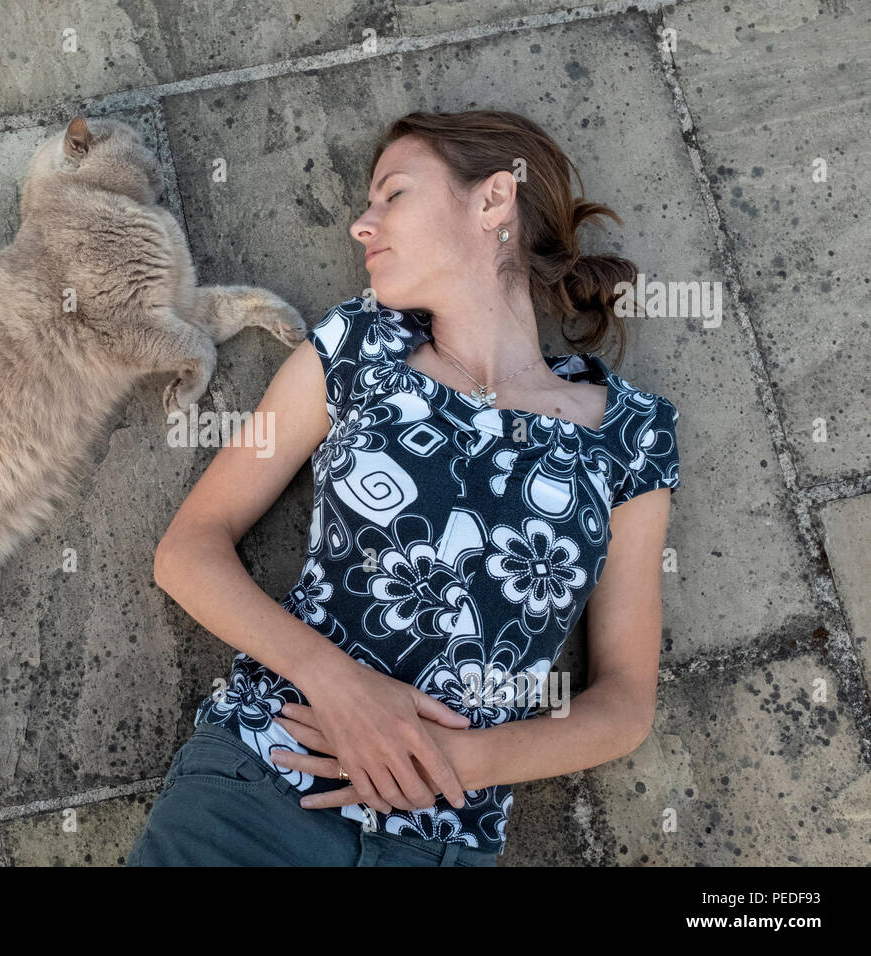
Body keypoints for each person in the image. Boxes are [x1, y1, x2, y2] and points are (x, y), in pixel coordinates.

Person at [126, 109, 682, 867]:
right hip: (257, 788)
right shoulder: (357, 347)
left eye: (394, 194)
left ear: (494, 202)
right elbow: (188, 550)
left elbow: (623, 704)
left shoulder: (630, 436)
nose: (363, 223)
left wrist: (449, 761)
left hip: (440, 840)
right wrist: (340, 685)